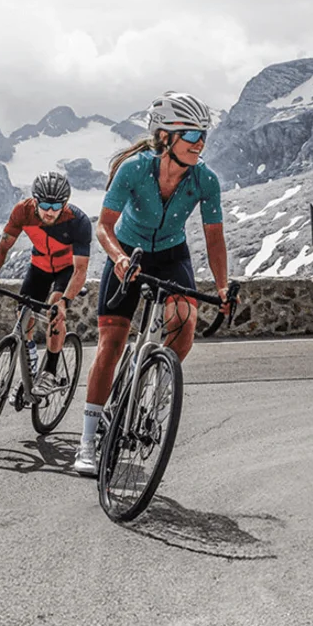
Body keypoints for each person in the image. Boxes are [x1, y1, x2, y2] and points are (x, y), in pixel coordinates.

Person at [74, 91, 230, 476]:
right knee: (111, 344)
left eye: (203, 135)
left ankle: (152, 383)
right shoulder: (134, 169)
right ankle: (87, 442)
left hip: (172, 254)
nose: (200, 143)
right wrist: (120, 258)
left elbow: (214, 238)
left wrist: (224, 287)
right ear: (165, 137)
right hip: (127, 250)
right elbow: (104, 227)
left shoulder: (205, 180)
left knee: (184, 321)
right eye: (191, 134)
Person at [0, 169, 92, 381]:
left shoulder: (78, 221)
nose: (50, 212)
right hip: (40, 266)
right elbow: (1, 250)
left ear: (65, 204)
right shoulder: (22, 212)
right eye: (45, 205)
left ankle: (50, 372)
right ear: (35, 201)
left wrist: (65, 302)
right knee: (23, 313)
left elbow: (81, 269)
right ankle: (30, 359)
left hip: (66, 270)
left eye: (56, 206)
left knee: (55, 308)